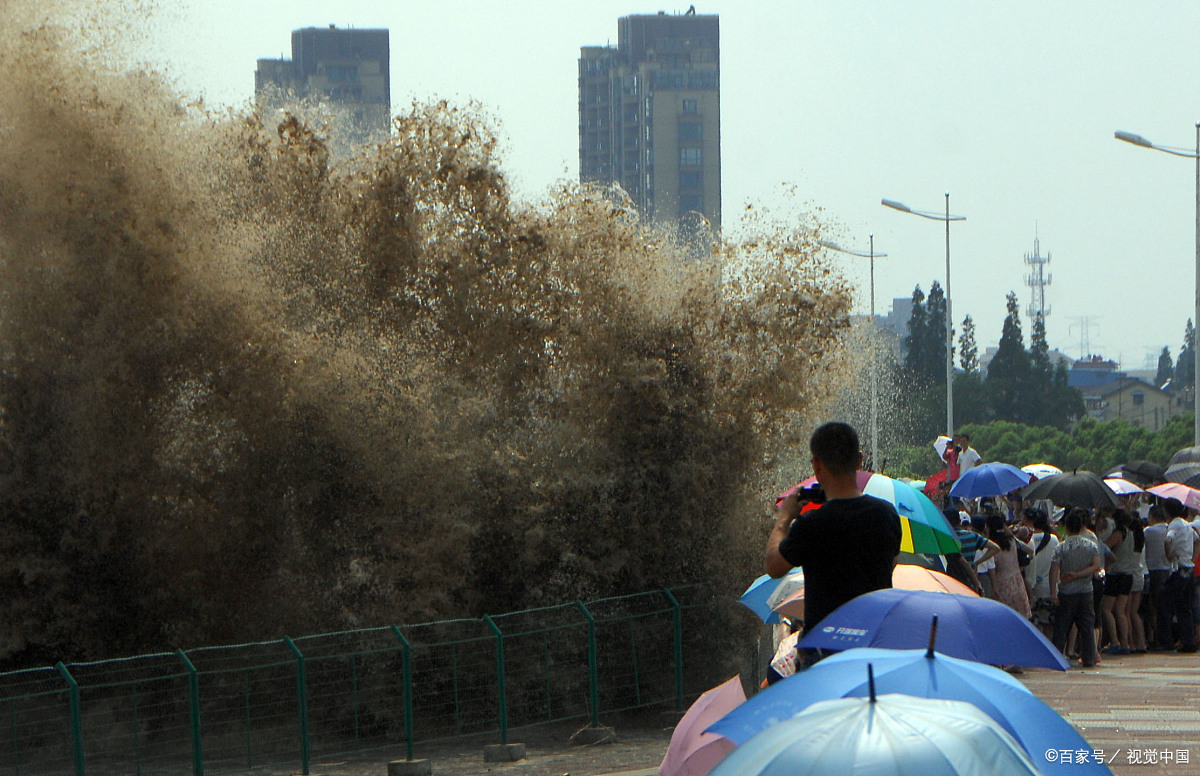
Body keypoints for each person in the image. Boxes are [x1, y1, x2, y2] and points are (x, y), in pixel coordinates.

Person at [766, 422, 902, 638]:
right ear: (858, 461)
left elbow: (774, 566)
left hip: (825, 648)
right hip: (873, 644)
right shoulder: (887, 514)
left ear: (817, 465)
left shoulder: (811, 525)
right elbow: (891, 563)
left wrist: (784, 517)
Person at [1050, 507, 1104, 668]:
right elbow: (1096, 565)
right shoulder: (1091, 545)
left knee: (1062, 627)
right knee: (1087, 626)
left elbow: (1053, 569)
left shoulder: (1061, 547)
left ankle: (1057, 657)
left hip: (1066, 592)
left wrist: (1053, 591)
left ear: (1067, 527)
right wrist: (1079, 574)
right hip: (1086, 591)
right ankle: (1089, 657)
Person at [1163, 498, 1197, 652]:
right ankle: (1188, 641)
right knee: (1185, 607)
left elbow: (1167, 539)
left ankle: (1167, 640)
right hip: (1189, 567)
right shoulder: (1187, 524)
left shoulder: (1174, 524)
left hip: (1178, 568)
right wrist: (1192, 558)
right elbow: (1197, 540)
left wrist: (1169, 554)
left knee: (1166, 603)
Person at [1100, 510, 1136, 655]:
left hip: (1116, 574)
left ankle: (1115, 641)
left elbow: (1105, 547)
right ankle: (1126, 643)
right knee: (1120, 611)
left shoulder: (1118, 533)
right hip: (1128, 574)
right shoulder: (1132, 533)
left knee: (1107, 609)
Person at [1021, 507, 1060, 639]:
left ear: (1025, 520)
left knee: (1034, 625)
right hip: (1049, 588)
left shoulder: (1023, 541)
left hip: (1029, 589)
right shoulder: (1054, 540)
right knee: (1049, 624)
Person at [986, 512, 1031, 617]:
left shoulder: (992, 548)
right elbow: (1029, 550)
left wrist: (994, 587)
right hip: (1018, 583)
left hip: (1001, 586)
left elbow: (992, 569)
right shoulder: (1012, 541)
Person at [1144, 505, 1173, 651]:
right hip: (1168, 570)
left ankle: (1155, 638)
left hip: (1152, 571)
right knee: (1165, 606)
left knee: (1153, 607)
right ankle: (1166, 638)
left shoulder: (1148, 531)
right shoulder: (1170, 529)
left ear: (1152, 517)